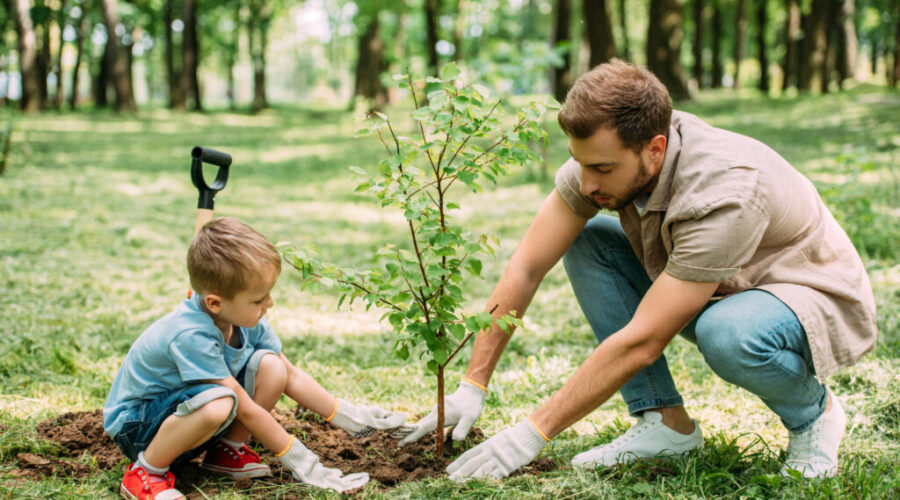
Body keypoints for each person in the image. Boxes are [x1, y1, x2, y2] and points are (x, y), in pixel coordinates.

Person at [399, 59, 878, 481]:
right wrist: (472, 384)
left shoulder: (724, 192)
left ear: (654, 148)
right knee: (589, 242)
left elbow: (644, 340)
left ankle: (814, 417)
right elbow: (527, 265)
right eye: (579, 163)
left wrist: (530, 433)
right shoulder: (600, 161)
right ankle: (665, 424)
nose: (587, 184)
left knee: (726, 332)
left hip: (804, 294)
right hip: (720, 281)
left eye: (603, 170)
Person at [104, 217, 407, 499]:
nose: (270, 304)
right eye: (259, 299)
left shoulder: (244, 318)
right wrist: (303, 462)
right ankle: (146, 472)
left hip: (183, 417)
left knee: (272, 368)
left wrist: (347, 416)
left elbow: (290, 375)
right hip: (139, 427)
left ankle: (225, 452)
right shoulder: (190, 334)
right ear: (214, 302)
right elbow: (244, 408)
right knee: (220, 401)